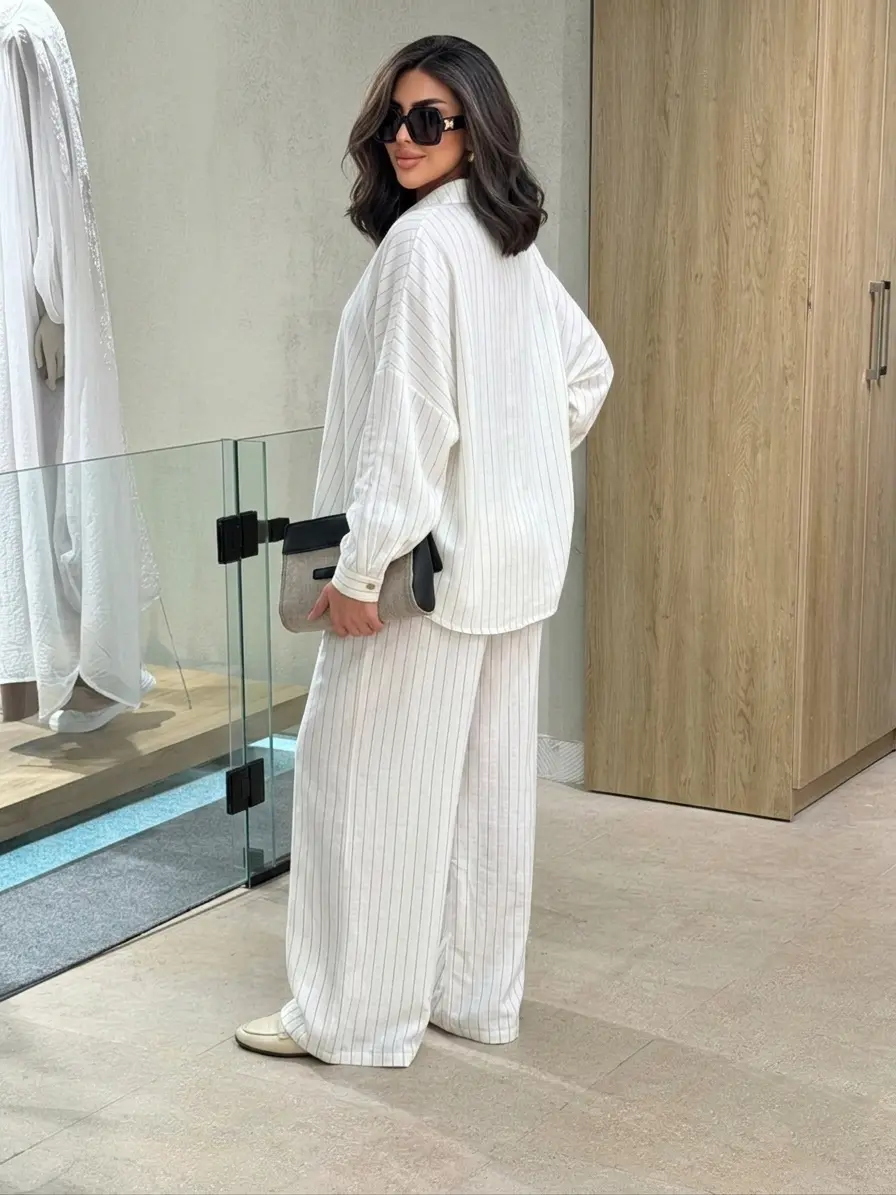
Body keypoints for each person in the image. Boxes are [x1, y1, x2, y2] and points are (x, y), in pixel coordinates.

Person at [236, 34, 613, 1068]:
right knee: (487, 795)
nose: (404, 139)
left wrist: (359, 572)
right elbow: (587, 373)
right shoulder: (506, 244)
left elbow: (407, 430)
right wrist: (510, 462)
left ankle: (354, 1017)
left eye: (429, 120)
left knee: (361, 787)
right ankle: (472, 997)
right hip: (515, 565)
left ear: (473, 131)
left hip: (424, 572)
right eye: (394, 120)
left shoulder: (420, 247)